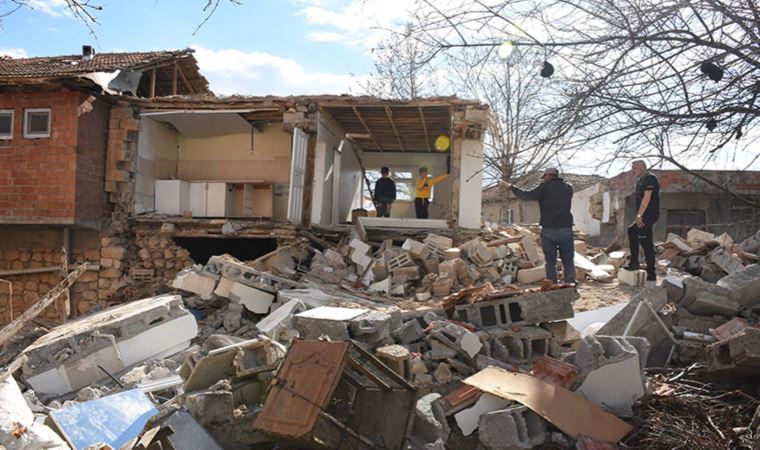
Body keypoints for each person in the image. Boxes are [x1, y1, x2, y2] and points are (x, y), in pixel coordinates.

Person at [503, 168, 576, 284]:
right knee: (568, 259)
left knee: (550, 261)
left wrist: (512, 187)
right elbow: (568, 187)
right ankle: (570, 281)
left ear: (548, 176)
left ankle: (552, 283)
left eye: (545, 177)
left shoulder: (544, 188)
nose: (544, 179)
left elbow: (525, 196)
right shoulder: (568, 188)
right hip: (566, 229)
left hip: (549, 230)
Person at [624, 160, 660, 281]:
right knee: (646, 243)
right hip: (644, 215)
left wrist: (639, 215)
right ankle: (651, 274)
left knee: (632, 231)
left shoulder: (650, 179)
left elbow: (647, 198)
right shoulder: (640, 180)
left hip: (649, 215)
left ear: (641, 167)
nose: (632, 170)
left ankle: (634, 262)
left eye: (634, 168)